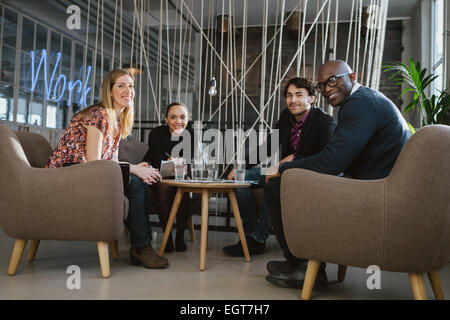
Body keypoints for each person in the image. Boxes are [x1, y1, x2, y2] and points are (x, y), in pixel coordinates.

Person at [264, 60, 411, 289]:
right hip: (379, 184)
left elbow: (331, 162)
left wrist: (282, 168)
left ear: (352, 77)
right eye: (322, 86)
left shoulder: (358, 105)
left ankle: (305, 266)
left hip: (376, 192)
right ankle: (296, 262)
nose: (328, 90)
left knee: (278, 186)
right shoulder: (366, 99)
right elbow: (337, 157)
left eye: (333, 81)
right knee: (289, 181)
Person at [46, 69, 169, 269]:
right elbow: (96, 164)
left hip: (85, 172)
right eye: (121, 85)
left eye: (131, 86)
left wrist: (136, 167)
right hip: (66, 175)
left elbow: (110, 160)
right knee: (136, 183)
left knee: (138, 179)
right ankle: (141, 248)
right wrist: (134, 170)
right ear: (110, 92)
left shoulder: (116, 123)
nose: (128, 90)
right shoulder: (98, 114)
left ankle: (140, 247)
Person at [222, 77, 336, 257]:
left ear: (311, 98)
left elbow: (325, 156)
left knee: (275, 181)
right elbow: (269, 146)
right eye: (289, 95)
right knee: (240, 177)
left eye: (299, 94)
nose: (293, 100)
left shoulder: (324, 122)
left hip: (309, 175)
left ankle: (258, 238)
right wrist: (240, 166)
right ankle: (250, 236)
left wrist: (293, 158)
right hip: (283, 170)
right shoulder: (286, 117)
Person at [142, 102, 194, 253]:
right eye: (173, 117)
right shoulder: (157, 133)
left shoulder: (191, 134)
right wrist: (175, 163)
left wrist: (179, 166)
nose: (178, 121)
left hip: (181, 177)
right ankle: (167, 237)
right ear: (166, 119)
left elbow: (191, 163)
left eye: (182, 117)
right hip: (156, 174)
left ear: (188, 119)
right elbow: (158, 163)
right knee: (165, 185)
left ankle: (179, 236)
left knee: (186, 187)